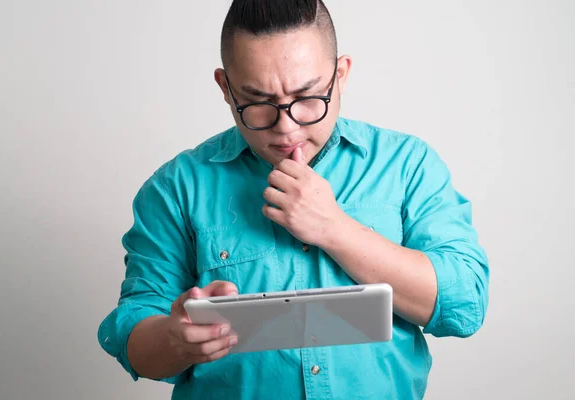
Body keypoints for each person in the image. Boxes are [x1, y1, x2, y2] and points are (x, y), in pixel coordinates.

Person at [97, 0, 490, 398]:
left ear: (340, 75)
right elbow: (133, 332)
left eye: (308, 98)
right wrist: (173, 339)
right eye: (258, 103)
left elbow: (464, 304)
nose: (286, 128)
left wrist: (335, 229)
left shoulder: (407, 164)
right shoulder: (176, 188)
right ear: (225, 88)